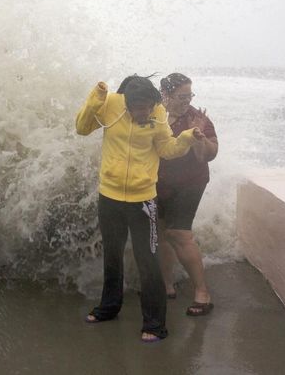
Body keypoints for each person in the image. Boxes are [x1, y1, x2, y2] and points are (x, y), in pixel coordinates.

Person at [75, 75, 206, 342]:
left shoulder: (157, 111)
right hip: (109, 196)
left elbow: (168, 149)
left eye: (148, 106)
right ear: (126, 103)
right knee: (112, 256)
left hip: (143, 201)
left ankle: (155, 324)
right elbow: (82, 127)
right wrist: (96, 96)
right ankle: (108, 308)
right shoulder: (111, 104)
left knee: (148, 261)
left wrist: (189, 137)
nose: (144, 112)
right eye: (139, 108)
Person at [157, 73, 218, 316]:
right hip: (158, 182)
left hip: (190, 183)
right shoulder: (154, 114)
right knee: (160, 233)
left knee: (178, 233)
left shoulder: (197, 118)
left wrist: (199, 139)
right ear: (165, 95)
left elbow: (209, 154)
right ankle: (166, 285)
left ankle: (202, 293)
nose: (187, 101)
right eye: (182, 96)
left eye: (189, 95)